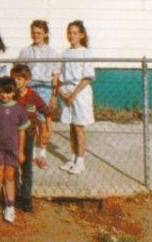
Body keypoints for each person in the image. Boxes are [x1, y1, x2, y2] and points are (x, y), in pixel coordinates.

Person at [0, 77, 30, 224]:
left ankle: (10, 207)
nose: (5, 95)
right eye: (2, 92)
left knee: (9, 177)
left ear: (13, 92)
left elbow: (22, 132)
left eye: (8, 93)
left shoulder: (19, 109)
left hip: (12, 149)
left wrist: (21, 151)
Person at [17, 20, 59, 169]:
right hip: (30, 86)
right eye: (34, 32)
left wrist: (54, 95)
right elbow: (18, 72)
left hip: (45, 87)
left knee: (42, 122)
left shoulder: (52, 52)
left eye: (39, 33)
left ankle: (42, 153)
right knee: (30, 120)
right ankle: (31, 154)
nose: (36, 35)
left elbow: (55, 75)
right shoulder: (25, 51)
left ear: (45, 34)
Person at [11, 63, 51, 212]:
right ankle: (14, 194)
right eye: (14, 78)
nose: (16, 81)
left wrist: (47, 129)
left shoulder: (33, 96)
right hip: (12, 137)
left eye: (20, 78)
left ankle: (26, 198)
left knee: (27, 168)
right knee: (13, 167)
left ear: (27, 80)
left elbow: (47, 112)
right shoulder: (10, 95)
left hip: (28, 137)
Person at [58, 20, 94, 175]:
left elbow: (87, 77)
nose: (71, 35)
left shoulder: (85, 52)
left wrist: (73, 94)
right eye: (69, 32)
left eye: (75, 33)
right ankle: (72, 157)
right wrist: (62, 92)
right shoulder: (65, 53)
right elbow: (59, 75)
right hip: (66, 93)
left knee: (79, 127)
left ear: (81, 35)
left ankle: (80, 160)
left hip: (79, 93)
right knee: (71, 126)